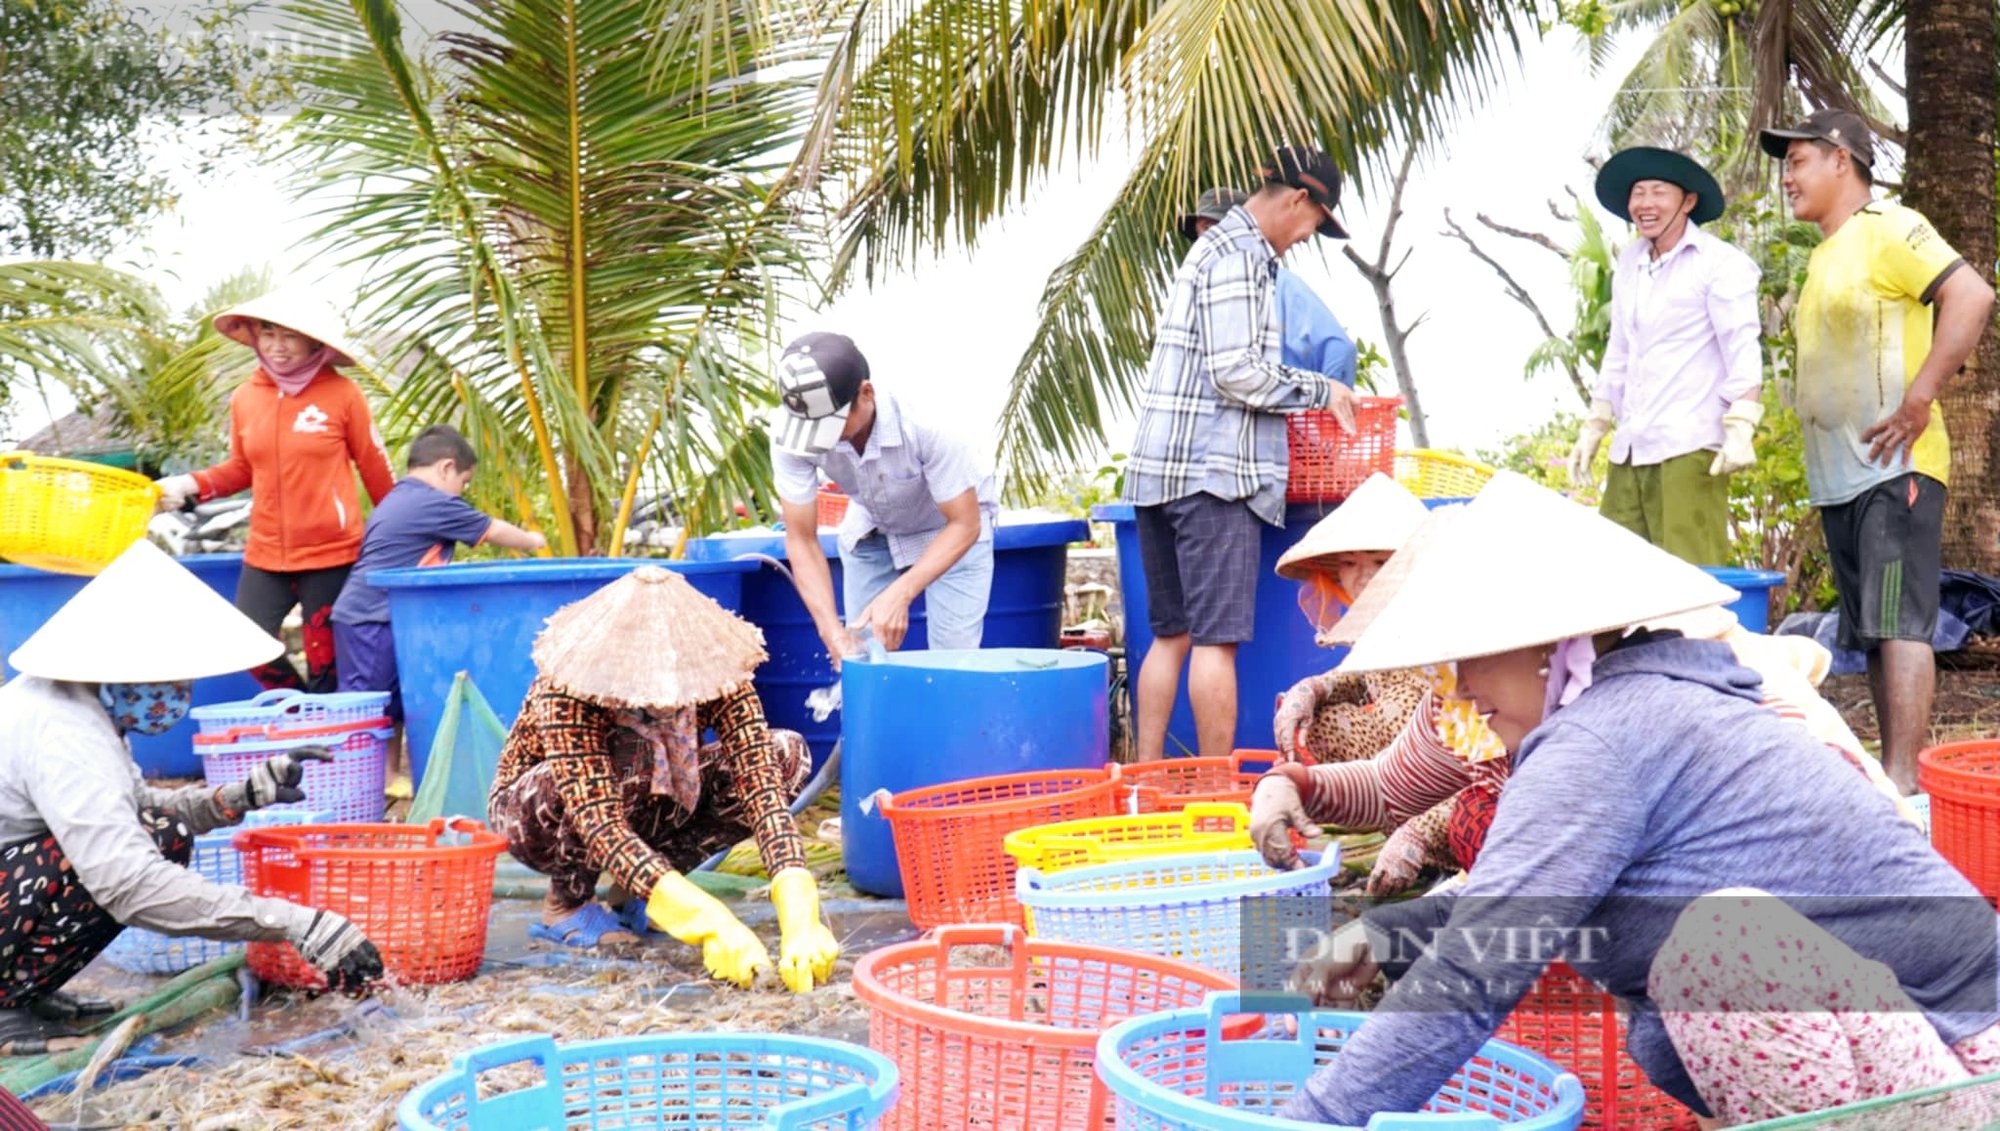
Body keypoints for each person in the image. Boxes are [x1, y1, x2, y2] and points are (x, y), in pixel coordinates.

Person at [1268, 472, 2000, 1128]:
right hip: (1911, 1039)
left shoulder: (1603, 735)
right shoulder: (1640, 702)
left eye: (1470, 656)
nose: (1458, 686)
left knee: (1720, 956)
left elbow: (1470, 978)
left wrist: (1312, 1118)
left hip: (1963, 1062)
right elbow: (1534, 902)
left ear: (1544, 644)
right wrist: (1388, 932)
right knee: (1660, 1025)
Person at [0, 541, 385, 1052]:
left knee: (160, 834)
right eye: (165, 677)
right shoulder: (64, 731)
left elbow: (135, 806)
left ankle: (21, 994)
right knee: (132, 856)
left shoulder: (80, 705)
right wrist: (297, 923)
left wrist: (238, 797)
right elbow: (128, 885)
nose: (178, 690)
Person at [1758, 110, 1995, 794]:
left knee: (1900, 622)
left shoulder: (1888, 228)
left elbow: (1971, 294)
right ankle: (1897, 784)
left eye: (1798, 160)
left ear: (1841, 159)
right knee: (1875, 632)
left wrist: (1920, 399)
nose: (1788, 176)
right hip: (1843, 481)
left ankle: (1904, 784)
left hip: (1896, 472)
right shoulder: (1822, 256)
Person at [487, 565, 839, 992]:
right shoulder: (566, 690)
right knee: (633, 755)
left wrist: (797, 901)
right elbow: (598, 819)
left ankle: (640, 890)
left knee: (783, 754)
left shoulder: (719, 678)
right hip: (538, 816)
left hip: (648, 799)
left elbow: (760, 782)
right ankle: (566, 903)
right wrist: (708, 922)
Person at [1125, 145, 1360, 762]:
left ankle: (1145, 778)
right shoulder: (1241, 258)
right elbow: (1237, 374)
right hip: (1214, 478)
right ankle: (1209, 789)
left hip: (1162, 475)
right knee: (1216, 643)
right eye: (1313, 225)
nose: (1305, 238)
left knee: (1170, 636)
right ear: (1297, 201)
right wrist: (1322, 389)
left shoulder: (1208, 250)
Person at [154, 290, 396, 693]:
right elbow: (240, 469)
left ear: (313, 342)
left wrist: (400, 534)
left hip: (331, 553)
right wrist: (188, 484)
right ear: (253, 336)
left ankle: (326, 735)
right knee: (246, 642)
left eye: (290, 336)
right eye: (268, 333)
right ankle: (297, 708)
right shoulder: (246, 398)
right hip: (266, 552)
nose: (277, 346)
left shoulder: (343, 395)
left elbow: (376, 470)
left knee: (326, 663)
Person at [1567, 147, 1764, 566]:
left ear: (1688, 201)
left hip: (1688, 446)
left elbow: (1742, 347)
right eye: (1638, 193)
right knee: (1616, 580)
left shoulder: (1722, 264)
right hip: (1632, 447)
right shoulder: (1630, 262)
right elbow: (1619, 348)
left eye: (1659, 192)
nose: (1645, 204)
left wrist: (1743, 424)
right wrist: (1596, 423)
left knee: (1692, 581)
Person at [769, 331, 999, 663]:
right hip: (872, 525)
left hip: (951, 529)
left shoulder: (927, 425)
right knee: (859, 657)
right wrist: (831, 632)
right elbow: (801, 539)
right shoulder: (789, 436)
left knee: (952, 664)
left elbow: (965, 524)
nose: (824, 440)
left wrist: (900, 593)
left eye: (829, 426)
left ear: (866, 393)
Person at [330, 424, 545, 767]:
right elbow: (494, 530)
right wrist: (535, 541)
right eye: (464, 481)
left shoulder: (402, 496)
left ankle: (386, 777)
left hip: (382, 615)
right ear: (446, 468)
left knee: (392, 704)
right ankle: (352, 779)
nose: (462, 490)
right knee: (364, 709)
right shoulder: (432, 503)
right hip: (369, 616)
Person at [1180, 187, 1358, 387]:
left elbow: (1341, 349)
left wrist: (1329, 399)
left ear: (1205, 228)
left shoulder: (1279, 284)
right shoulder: (1207, 282)